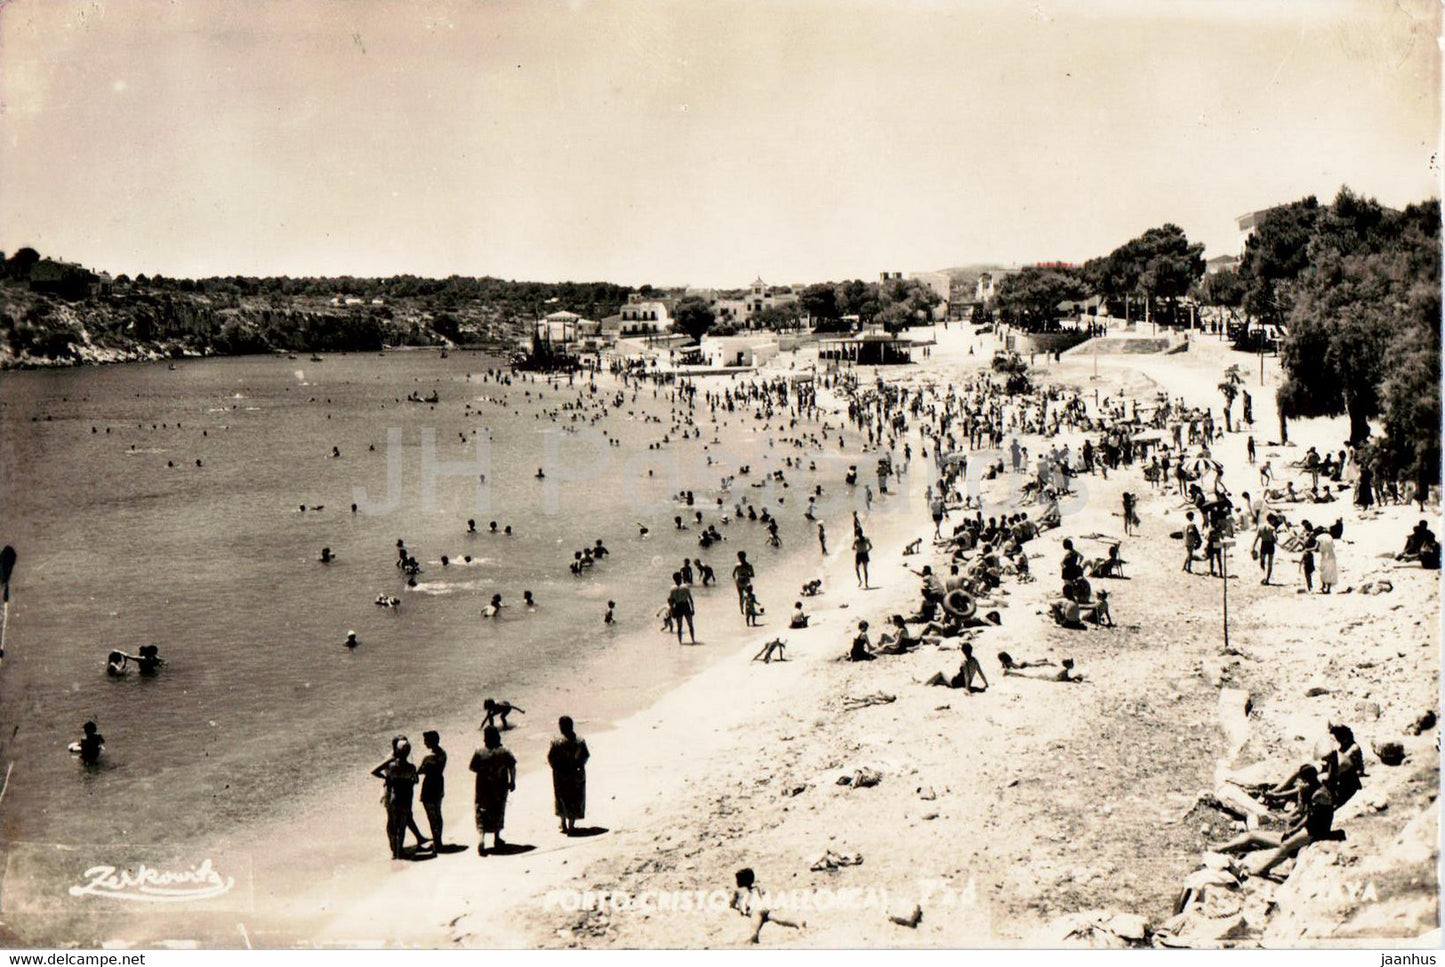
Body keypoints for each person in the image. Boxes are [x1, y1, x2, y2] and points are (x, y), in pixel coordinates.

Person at [371, 736, 425, 859]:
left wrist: (386, 777)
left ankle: (394, 852)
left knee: (391, 824)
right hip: (406, 797)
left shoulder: (390, 766)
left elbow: (374, 771)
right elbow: (415, 780)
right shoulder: (411, 768)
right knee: (402, 825)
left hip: (393, 797)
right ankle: (399, 850)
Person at [469, 725, 517, 855]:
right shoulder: (504, 751)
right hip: (500, 786)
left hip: (483, 787)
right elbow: (512, 766)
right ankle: (496, 838)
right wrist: (512, 781)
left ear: (485, 738)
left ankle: (481, 838)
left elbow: (473, 768)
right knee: (498, 809)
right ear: (498, 737)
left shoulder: (479, 751)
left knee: (481, 811)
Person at [731, 868, 803, 944]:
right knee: (779, 919)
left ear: (739, 882)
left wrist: (739, 908)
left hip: (755, 910)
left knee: (754, 923)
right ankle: (798, 923)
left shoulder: (738, 891)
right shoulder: (756, 888)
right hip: (764, 907)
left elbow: (732, 904)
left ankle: (754, 936)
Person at [547, 716, 590, 835]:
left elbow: (550, 757)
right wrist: (579, 765)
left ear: (561, 726)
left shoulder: (556, 741)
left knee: (561, 797)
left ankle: (563, 823)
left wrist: (556, 768)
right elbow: (586, 756)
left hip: (561, 774)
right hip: (576, 772)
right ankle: (571, 825)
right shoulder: (580, 740)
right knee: (575, 797)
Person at [418, 730, 447, 852]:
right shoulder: (443, 753)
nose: (424, 743)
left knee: (431, 816)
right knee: (438, 813)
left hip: (429, 785)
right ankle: (439, 840)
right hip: (439, 783)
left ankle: (436, 842)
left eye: (426, 740)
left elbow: (419, 771)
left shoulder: (428, 757)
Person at [668, 572, 697, 644]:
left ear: (674, 579)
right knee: (690, 624)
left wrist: (672, 611)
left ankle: (680, 642)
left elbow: (671, 601)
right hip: (685, 605)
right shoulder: (685, 587)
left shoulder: (672, 589)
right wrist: (693, 609)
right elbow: (690, 599)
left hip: (678, 607)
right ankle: (693, 640)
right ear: (680, 578)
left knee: (679, 626)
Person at [1252, 514, 1278, 584]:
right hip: (1270, 545)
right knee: (1270, 563)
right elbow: (1275, 539)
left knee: (1262, 562)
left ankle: (1263, 576)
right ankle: (1267, 579)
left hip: (1263, 544)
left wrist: (1253, 547)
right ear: (1271, 520)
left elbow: (1256, 538)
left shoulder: (1261, 527)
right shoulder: (1272, 528)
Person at [1315, 527, 1338, 593]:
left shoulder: (1318, 538)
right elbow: (1333, 546)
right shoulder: (1329, 536)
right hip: (1331, 555)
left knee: (1323, 571)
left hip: (1324, 556)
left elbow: (1317, 547)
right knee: (1330, 573)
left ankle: (1323, 586)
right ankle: (1328, 589)